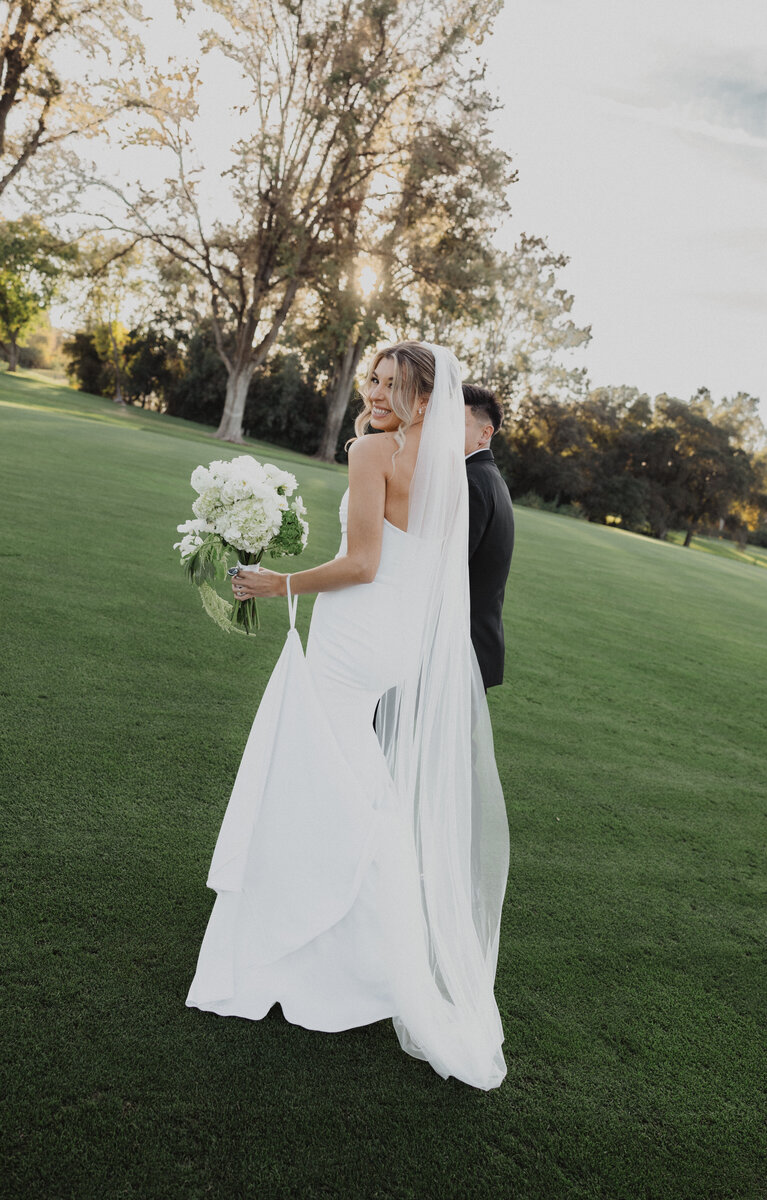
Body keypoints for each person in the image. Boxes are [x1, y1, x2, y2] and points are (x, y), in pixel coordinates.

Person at [186, 342, 510, 1091]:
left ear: (426, 398)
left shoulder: (374, 453)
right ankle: (366, 940)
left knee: (314, 780)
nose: (376, 393)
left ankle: (322, 946)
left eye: (395, 385)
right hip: (394, 643)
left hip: (354, 633)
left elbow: (363, 562)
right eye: (374, 379)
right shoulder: (446, 467)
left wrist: (277, 583)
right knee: (353, 782)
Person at [463, 385, 515, 689]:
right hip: (474, 643)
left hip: (461, 647)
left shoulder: (472, 481)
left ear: (485, 433)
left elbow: (446, 566)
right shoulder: (488, 476)